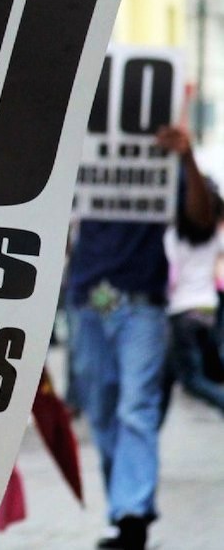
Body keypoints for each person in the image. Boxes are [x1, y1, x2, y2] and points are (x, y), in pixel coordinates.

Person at [67, 125, 215, 550]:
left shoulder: (162, 158)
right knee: (103, 410)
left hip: (142, 303)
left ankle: (130, 513)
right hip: (90, 299)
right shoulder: (83, 152)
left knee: (136, 408)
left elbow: (201, 222)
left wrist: (186, 158)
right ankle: (124, 509)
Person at [163, 188, 224, 416]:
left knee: (191, 379)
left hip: (183, 311)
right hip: (207, 309)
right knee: (168, 374)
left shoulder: (173, 238)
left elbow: (172, 278)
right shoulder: (214, 238)